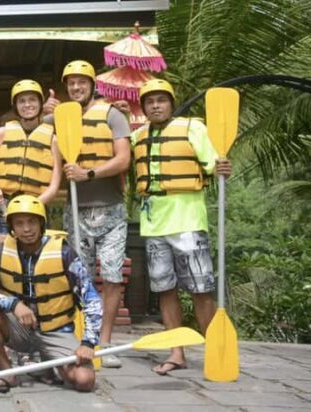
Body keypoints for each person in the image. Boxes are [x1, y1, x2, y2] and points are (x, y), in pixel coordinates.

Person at [131, 79, 232, 375]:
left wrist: (223, 166)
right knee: (165, 290)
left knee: (201, 290)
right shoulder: (138, 136)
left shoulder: (193, 128)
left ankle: (216, 349)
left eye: (162, 100)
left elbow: (215, 164)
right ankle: (177, 353)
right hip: (153, 225)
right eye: (150, 102)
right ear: (144, 108)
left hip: (188, 221)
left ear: (171, 104)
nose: (156, 105)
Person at [0, 195, 101, 392]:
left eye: (32, 222)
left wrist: (88, 342)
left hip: (56, 332)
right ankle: (7, 372)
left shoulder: (65, 253)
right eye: (19, 223)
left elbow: (91, 299)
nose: (26, 229)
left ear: (41, 223)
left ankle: (48, 364)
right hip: (19, 329)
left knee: (84, 380)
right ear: (11, 227)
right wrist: (14, 305)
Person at [43, 60, 131, 368]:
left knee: (110, 275)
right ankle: (82, 337)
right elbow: (33, 129)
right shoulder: (59, 117)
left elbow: (123, 159)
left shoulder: (112, 114)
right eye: (71, 83)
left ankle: (104, 342)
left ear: (92, 85)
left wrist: (88, 173)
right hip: (75, 211)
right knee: (78, 276)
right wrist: (45, 112)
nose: (76, 87)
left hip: (111, 210)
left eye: (82, 82)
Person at [0, 79, 63, 246]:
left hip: (37, 204)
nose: (27, 105)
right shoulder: (1, 133)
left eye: (32, 100)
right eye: (21, 101)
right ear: (15, 106)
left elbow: (54, 183)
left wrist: (33, 205)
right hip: (3, 204)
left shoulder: (53, 140)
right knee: (1, 254)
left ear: (40, 104)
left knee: (35, 258)